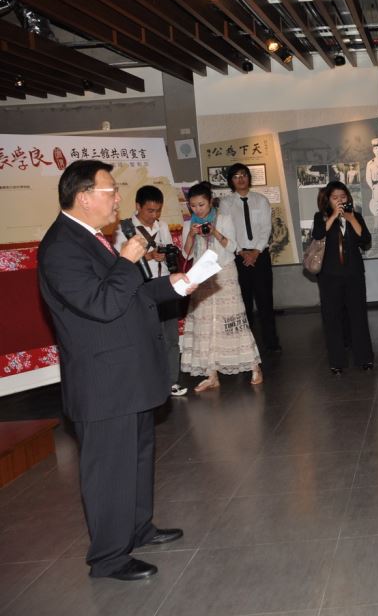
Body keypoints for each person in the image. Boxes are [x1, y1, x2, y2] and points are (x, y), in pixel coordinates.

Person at [37, 160, 194, 580]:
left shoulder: (91, 237)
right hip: (103, 381)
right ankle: (108, 557)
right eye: (111, 191)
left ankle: (138, 528)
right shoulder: (61, 247)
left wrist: (173, 285)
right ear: (84, 196)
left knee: (136, 458)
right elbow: (101, 303)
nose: (118, 199)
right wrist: (126, 260)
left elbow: (129, 294)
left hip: (127, 373)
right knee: (109, 469)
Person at [179, 182, 263, 392]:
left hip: (224, 271)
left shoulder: (224, 219)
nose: (197, 210)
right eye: (193, 206)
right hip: (202, 274)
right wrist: (191, 234)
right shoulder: (189, 224)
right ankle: (212, 374)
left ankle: (254, 366)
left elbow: (233, 247)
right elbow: (185, 253)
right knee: (206, 323)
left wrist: (214, 232)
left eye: (201, 205)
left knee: (233, 320)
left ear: (210, 201)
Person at [113, 185, 186, 396]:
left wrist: (167, 254)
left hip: (165, 284)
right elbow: (121, 261)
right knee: (146, 337)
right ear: (138, 206)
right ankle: (149, 382)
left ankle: (172, 381)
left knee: (171, 337)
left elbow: (168, 248)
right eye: (150, 210)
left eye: (158, 210)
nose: (154, 215)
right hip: (141, 288)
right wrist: (150, 256)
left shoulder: (162, 226)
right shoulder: (124, 229)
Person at [311, 181, 374, 373]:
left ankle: (364, 358)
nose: (340, 200)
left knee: (358, 316)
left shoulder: (356, 216)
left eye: (343, 197)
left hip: (354, 274)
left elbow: (366, 240)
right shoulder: (321, 217)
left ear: (348, 198)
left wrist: (351, 218)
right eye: (335, 198)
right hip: (330, 276)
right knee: (332, 318)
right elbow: (318, 234)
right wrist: (333, 216)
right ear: (328, 200)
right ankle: (337, 362)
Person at [219, 163, 280, 353]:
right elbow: (227, 231)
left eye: (244, 175)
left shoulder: (261, 200)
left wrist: (256, 251)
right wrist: (241, 251)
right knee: (242, 302)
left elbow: (266, 228)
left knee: (265, 301)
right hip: (238, 256)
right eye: (236, 176)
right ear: (231, 181)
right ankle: (245, 347)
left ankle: (271, 343)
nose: (241, 179)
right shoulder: (226, 203)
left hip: (260, 256)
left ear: (249, 177)